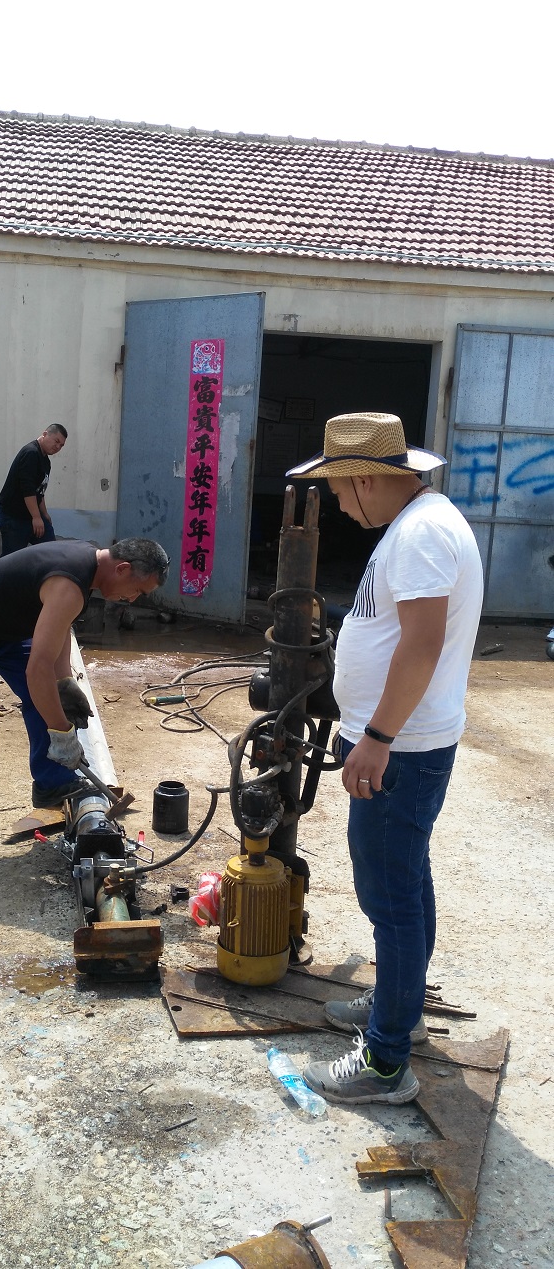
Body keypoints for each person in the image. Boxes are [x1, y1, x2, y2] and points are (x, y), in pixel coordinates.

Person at [286, 412, 483, 1104]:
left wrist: (377, 736)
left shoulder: (421, 534)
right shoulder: (420, 523)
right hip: (406, 739)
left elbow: (421, 645)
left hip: (401, 744)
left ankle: (386, 1060)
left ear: (366, 480)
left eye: (341, 490)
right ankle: (400, 1008)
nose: (341, 504)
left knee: (389, 895)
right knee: (405, 879)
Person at [0, 537, 169, 866]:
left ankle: (53, 783)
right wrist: (61, 734)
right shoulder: (70, 582)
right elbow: (37, 669)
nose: (132, 599)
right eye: (137, 591)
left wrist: (63, 682)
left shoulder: (88, 567)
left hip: (0, 630)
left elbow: (60, 631)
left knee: (51, 698)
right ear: (122, 569)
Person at [0, 424, 67, 556]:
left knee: (51, 552)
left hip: (32, 515)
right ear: (45, 434)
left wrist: (44, 514)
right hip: (14, 517)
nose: (58, 447)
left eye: (61, 445)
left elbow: (39, 491)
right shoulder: (31, 453)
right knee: (12, 560)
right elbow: (28, 489)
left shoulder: (46, 461)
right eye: (56, 441)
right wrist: (36, 517)